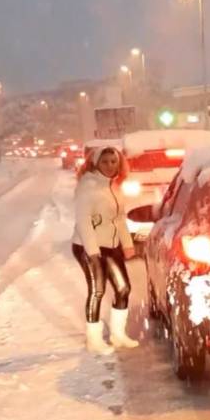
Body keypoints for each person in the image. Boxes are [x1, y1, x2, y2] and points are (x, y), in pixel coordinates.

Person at [72, 146, 139, 354]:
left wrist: (127, 244)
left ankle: (118, 335)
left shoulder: (115, 186)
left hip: (111, 245)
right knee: (97, 290)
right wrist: (92, 252)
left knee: (123, 288)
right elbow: (83, 220)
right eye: (105, 162)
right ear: (95, 163)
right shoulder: (87, 186)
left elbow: (118, 218)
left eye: (113, 161)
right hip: (87, 245)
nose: (110, 166)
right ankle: (94, 340)